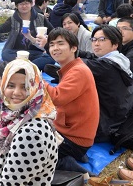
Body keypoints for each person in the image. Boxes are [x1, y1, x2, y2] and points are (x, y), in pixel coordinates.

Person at [0, 59, 58, 185]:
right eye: (10, 85)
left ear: (36, 88)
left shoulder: (31, 134)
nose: (16, 93)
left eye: (25, 86)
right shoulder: (14, 116)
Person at [45, 28, 99, 174]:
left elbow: (57, 97)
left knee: (30, 152)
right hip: (68, 131)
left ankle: (67, 163)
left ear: (74, 47)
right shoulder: (71, 68)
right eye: (52, 44)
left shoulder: (78, 71)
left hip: (74, 139)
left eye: (60, 43)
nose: (55, 48)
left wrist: (35, 79)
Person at [77, 25, 133, 142]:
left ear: (115, 44)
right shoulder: (119, 59)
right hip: (118, 117)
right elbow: (90, 56)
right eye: (94, 40)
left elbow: (75, 63)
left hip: (103, 126)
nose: (96, 44)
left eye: (102, 40)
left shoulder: (105, 66)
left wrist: (55, 48)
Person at [0, 0, 55, 70]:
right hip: (15, 51)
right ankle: (30, 67)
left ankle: (23, 66)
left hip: (35, 51)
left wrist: (48, 47)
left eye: (26, 3)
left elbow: (53, 32)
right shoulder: (13, 19)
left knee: (50, 57)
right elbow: (3, 28)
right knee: (5, 54)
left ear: (31, 4)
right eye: (21, 4)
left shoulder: (41, 18)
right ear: (16, 6)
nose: (24, 6)